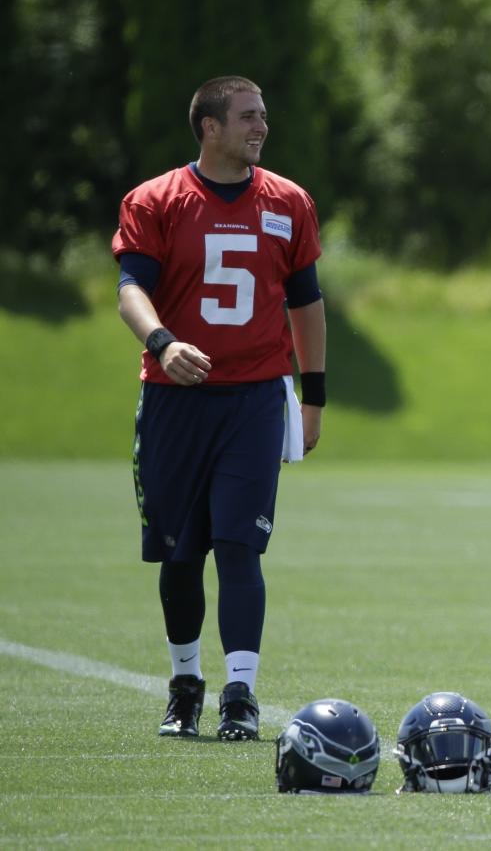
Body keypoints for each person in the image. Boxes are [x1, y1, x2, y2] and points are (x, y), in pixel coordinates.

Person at [112, 76, 327, 741]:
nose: (261, 127)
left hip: (255, 399)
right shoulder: (156, 200)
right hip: (176, 398)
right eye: (247, 118)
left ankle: (240, 694)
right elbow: (130, 291)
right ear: (209, 126)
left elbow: (307, 305)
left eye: (264, 115)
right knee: (180, 555)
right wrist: (163, 342)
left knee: (240, 546)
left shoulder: (288, 201)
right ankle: (185, 684)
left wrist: (313, 395)